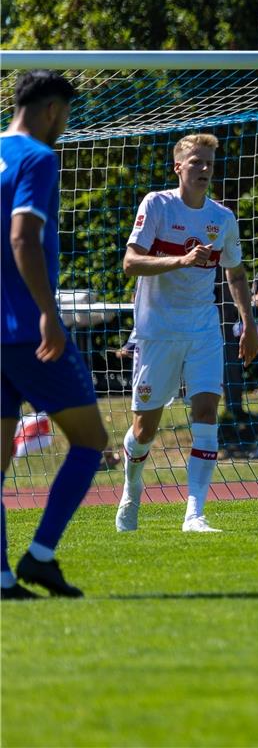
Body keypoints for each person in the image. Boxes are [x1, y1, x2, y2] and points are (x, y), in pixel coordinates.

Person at [115, 132, 258, 533]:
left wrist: (248, 322)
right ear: (178, 166)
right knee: (144, 429)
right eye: (196, 161)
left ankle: (194, 514)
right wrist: (181, 258)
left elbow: (235, 272)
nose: (204, 169)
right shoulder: (157, 205)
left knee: (206, 414)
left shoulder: (222, 218)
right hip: (157, 330)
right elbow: (130, 263)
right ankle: (132, 486)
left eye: (209, 162)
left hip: (203, 329)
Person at [1, 70, 109, 599]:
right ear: (50, 110)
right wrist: (47, 311)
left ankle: (1, 577)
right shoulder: (39, 159)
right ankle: (40, 555)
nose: (65, 125)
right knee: (91, 440)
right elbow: (23, 237)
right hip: (25, 331)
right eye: (65, 115)